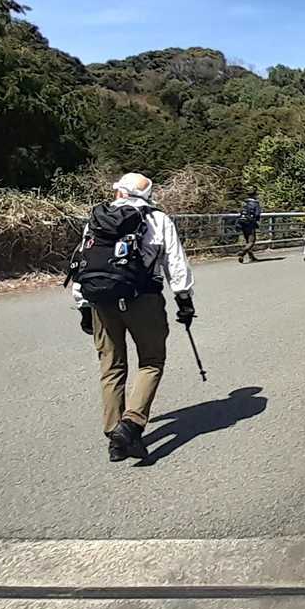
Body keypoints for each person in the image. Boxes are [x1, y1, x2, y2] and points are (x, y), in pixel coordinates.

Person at [69, 172, 193, 464]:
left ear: (119, 192)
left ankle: (114, 434)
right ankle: (131, 425)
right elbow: (176, 264)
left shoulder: (96, 219)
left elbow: (81, 262)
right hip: (144, 299)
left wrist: (83, 304)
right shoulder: (158, 219)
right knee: (151, 361)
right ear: (147, 196)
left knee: (111, 366)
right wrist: (184, 301)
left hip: (101, 301)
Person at [235, 190, 262, 263]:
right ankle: (242, 252)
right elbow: (257, 214)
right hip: (250, 223)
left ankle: (251, 257)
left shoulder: (244, 203)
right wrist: (256, 221)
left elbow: (240, 212)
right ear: (254, 195)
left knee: (247, 240)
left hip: (242, 222)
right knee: (251, 241)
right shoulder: (255, 204)